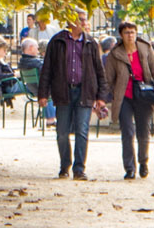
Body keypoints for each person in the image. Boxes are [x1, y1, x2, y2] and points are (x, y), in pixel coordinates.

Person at [37, 11, 107, 181]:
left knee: (82, 131)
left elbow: (99, 71)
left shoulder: (91, 42)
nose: (84, 23)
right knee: (62, 132)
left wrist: (101, 96)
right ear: (70, 21)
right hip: (63, 91)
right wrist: (43, 94)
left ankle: (79, 168)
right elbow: (47, 69)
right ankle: (65, 165)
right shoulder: (58, 41)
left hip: (85, 92)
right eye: (80, 20)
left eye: (85, 20)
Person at [103, 22, 154, 180]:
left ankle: (143, 161)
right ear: (121, 35)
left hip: (143, 95)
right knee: (127, 132)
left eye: (133, 32)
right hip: (124, 97)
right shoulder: (115, 54)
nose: (130, 35)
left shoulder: (145, 49)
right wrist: (106, 97)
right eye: (126, 32)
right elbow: (108, 78)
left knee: (143, 131)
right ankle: (129, 168)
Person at [18, 37, 54, 127]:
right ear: (31, 48)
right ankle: (52, 119)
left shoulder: (22, 62)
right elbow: (47, 75)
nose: (38, 51)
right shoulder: (37, 63)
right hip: (42, 90)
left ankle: (51, 118)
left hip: (32, 89)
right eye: (36, 48)